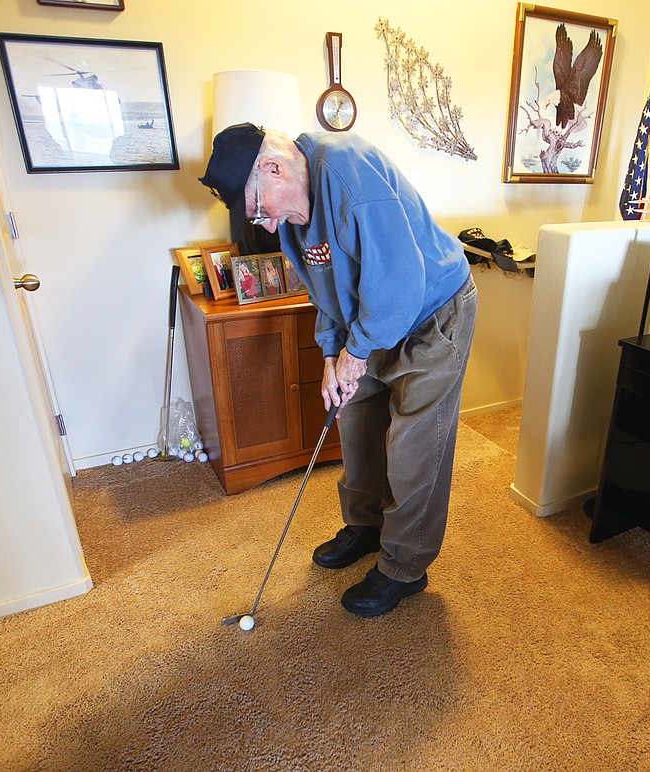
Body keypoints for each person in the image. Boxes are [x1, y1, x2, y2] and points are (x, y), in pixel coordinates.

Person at [200, 123, 477, 618]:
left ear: (273, 167)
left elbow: (399, 285)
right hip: (368, 321)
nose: (264, 224)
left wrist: (355, 353)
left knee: (416, 443)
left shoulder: (349, 171)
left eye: (260, 208)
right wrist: (332, 354)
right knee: (357, 419)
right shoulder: (291, 219)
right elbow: (323, 288)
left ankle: (404, 568)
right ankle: (367, 526)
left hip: (431, 312)